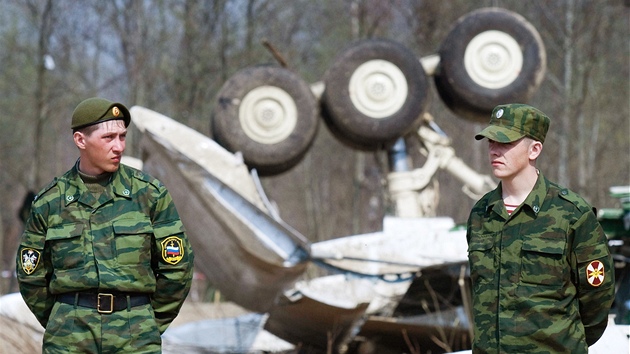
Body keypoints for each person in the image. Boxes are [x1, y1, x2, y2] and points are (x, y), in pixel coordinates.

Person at [16, 97, 194, 353]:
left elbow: (177, 268)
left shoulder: (149, 195)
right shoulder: (50, 201)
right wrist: (63, 318)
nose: (119, 146)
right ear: (81, 140)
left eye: (122, 137)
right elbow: (30, 274)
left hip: (135, 337)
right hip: (69, 338)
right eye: (109, 138)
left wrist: (146, 322)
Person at [466, 103, 615, 353]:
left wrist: (565, 343)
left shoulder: (571, 214)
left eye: (505, 142)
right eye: (491, 141)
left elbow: (597, 298)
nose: (494, 150)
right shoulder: (482, 214)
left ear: (534, 149)